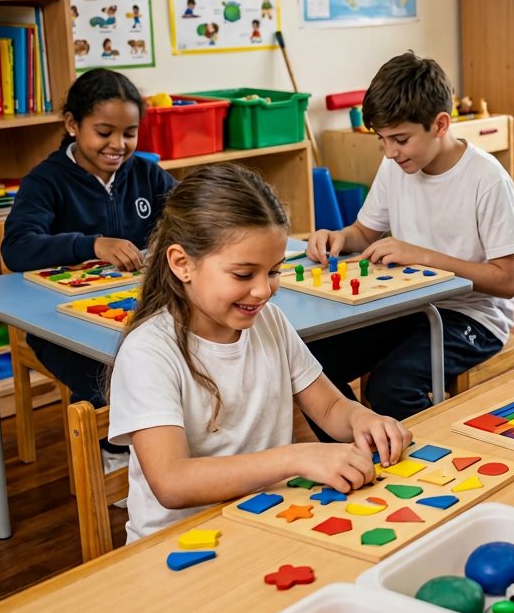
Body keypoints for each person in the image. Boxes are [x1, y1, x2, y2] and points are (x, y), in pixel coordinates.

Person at [108, 164, 409, 542]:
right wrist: (295, 457)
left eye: (273, 271)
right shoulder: (149, 351)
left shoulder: (271, 322)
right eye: (243, 274)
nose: (263, 291)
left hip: (271, 520)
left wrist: (364, 420)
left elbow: (331, 409)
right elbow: (172, 482)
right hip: (180, 544)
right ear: (182, 264)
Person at [305, 52, 514, 423]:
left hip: (473, 318)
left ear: (440, 125)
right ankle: (360, 453)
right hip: (408, 307)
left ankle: (427, 460)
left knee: (391, 386)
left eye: (400, 139)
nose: (390, 152)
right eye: (382, 140)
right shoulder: (396, 166)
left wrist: (419, 255)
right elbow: (363, 232)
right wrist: (337, 237)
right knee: (312, 368)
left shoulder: (487, 179)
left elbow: (506, 281)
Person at [2, 69, 176, 466]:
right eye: (104, 132)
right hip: (59, 325)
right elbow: (17, 247)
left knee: (184, 355)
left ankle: (167, 447)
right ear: (71, 125)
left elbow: (190, 213)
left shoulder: (146, 173)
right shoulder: (46, 181)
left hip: (138, 312)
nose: (118, 145)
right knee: (115, 376)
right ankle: (117, 450)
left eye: (129, 132)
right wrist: (91, 244)